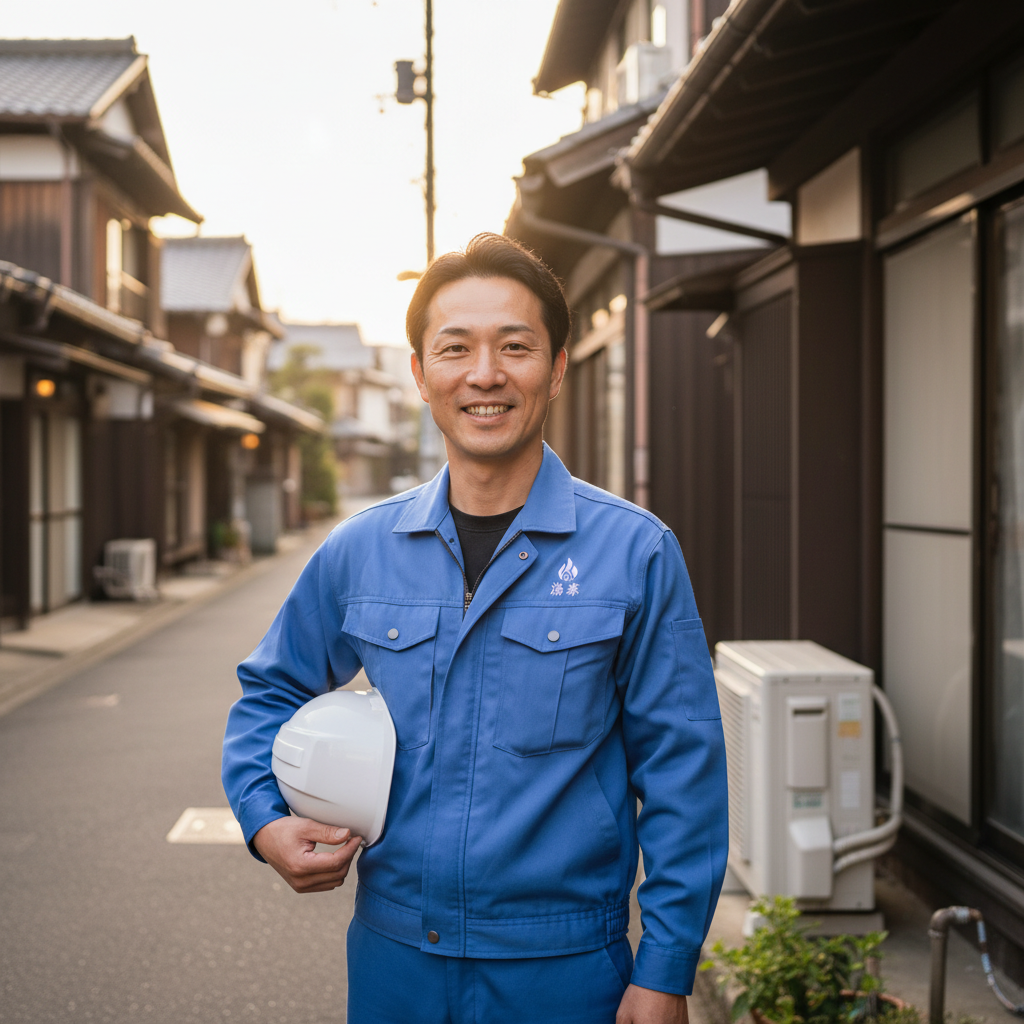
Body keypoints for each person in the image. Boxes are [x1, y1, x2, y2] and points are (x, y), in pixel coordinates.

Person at [222, 232, 728, 1024]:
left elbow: (683, 774)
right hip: (394, 964)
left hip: (564, 969)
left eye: (515, 347)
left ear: (557, 367)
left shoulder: (636, 551)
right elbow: (271, 687)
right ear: (420, 375)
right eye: (455, 349)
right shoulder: (360, 550)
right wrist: (264, 822)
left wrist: (665, 970)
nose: (485, 374)